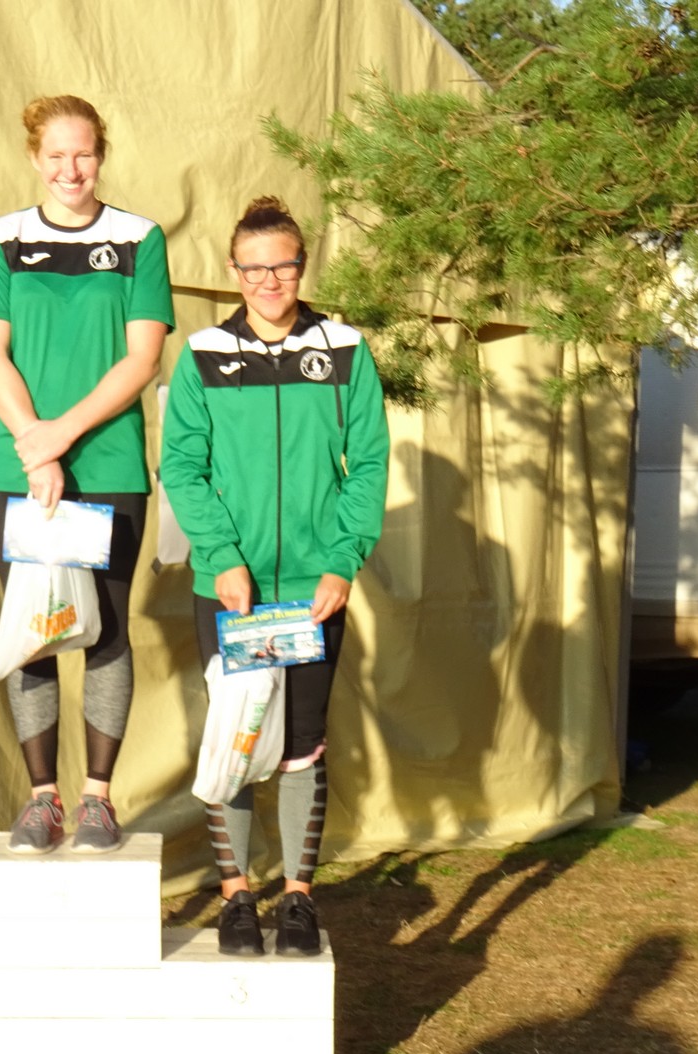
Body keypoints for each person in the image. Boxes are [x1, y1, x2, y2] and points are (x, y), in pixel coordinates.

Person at [161, 197, 390, 956]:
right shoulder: (202, 354)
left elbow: (369, 464)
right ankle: (236, 900)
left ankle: (297, 899)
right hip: (233, 590)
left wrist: (342, 561)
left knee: (302, 743)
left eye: (282, 266)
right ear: (234, 271)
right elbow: (183, 468)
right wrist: (223, 557)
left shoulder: (345, 350)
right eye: (253, 268)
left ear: (301, 266)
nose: (268, 281)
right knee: (237, 738)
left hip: (312, 592)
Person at [0, 95, 173, 854]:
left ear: (101, 155)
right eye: (55, 155)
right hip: (18, 468)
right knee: (36, 628)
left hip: (108, 464)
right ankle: (42, 799)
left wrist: (63, 435)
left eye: (82, 153)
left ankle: (97, 800)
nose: (70, 169)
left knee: (106, 629)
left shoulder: (140, 238)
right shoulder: (1, 238)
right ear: (33, 158)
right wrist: (35, 444)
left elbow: (142, 358)